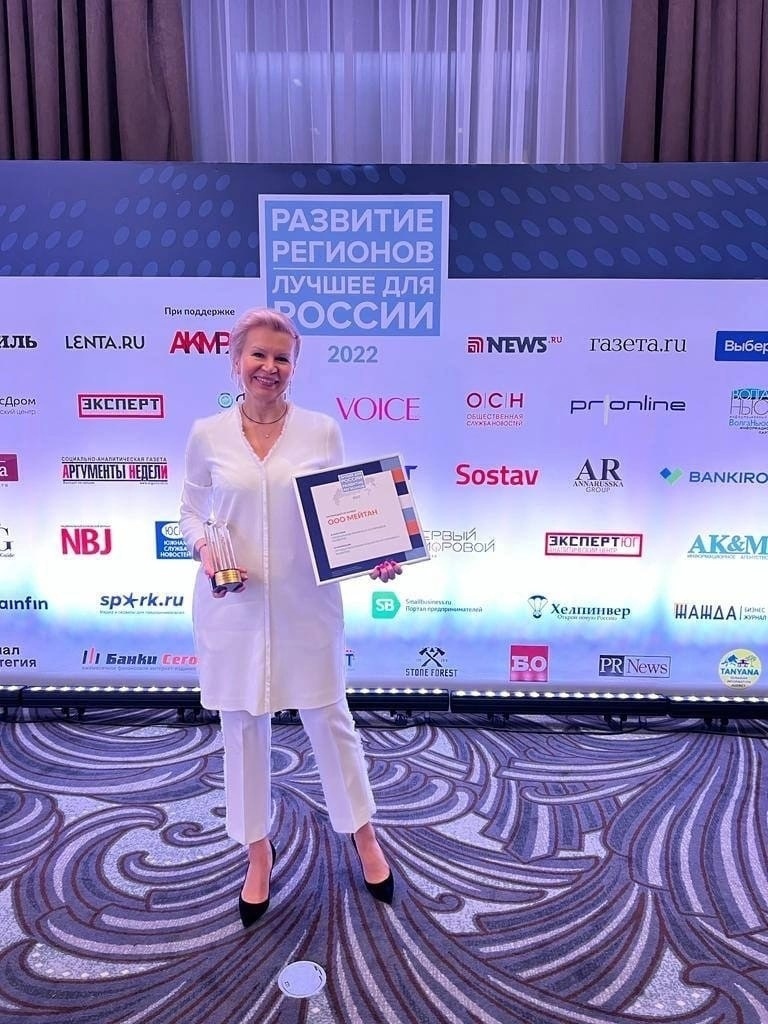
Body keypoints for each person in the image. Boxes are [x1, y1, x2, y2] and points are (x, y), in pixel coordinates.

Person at [179, 307, 401, 928]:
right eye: (258, 354)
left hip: (308, 604)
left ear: (294, 366)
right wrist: (204, 550)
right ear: (236, 361)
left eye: (281, 358)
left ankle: (365, 838)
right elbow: (190, 512)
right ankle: (257, 852)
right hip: (233, 606)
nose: (269, 367)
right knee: (242, 729)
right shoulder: (207, 435)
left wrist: (374, 555)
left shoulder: (321, 432)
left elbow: (344, 517)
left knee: (331, 720)